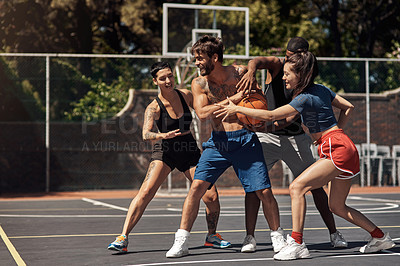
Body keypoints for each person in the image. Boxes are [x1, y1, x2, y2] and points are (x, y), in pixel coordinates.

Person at [214, 51, 396, 260]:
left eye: (287, 74)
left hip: (336, 148)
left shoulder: (304, 97)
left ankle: (297, 243)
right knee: (336, 206)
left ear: (300, 75)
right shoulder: (321, 90)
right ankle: (379, 236)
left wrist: (237, 108)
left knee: (297, 187)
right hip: (344, 146)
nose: (283, 77)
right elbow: (348, 106)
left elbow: (272, 115)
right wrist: (337, 131)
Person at [166, 35, 285, 258]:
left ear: (215, 57)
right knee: (196, 188)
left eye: (200, 58)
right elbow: (201, 114)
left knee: (264, 191)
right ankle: (181, 241)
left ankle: (277, 236)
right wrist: (234, 99)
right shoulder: (199, 83)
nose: (197, 63)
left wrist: (253, 112)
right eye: (195, 58)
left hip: (245, 139)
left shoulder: (240, 73)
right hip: (218, 143)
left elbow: (258, 100)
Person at [237, 37, 347, 253]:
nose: (287, 61)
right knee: (254, 185)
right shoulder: (279, 66)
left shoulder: (305, 79)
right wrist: (251, 71)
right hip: (268, 138)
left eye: (292, 58)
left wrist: (264, 127)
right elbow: (257, 61)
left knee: (316, 186)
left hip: (295, 137)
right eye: (287, 56)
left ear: (303, 57)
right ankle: (249, 237)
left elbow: (289, 119)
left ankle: (334, 233)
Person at [107, 61, 230, 253]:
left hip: (189, 150)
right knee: (146, 192)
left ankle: (212, 236)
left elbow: (203, 110)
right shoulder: (153, 108)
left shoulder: (186, 95)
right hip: (165, 151)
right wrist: (162, 135)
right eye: (163, 78)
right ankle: (123, 237)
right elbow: (146, 134)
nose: (168, 80)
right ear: (155, 81)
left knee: (211, 196)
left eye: (170, 76)